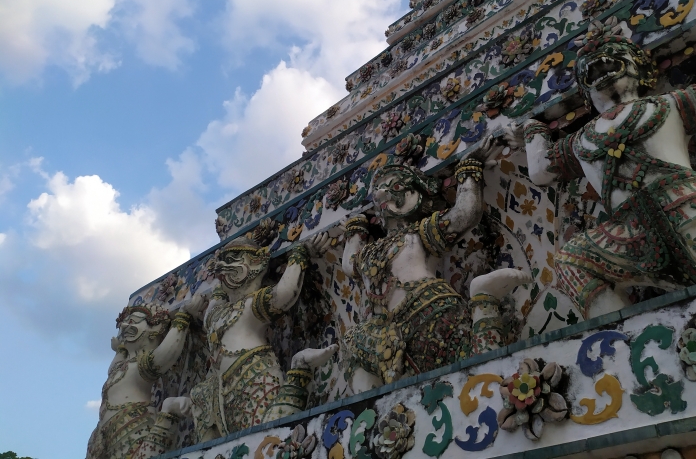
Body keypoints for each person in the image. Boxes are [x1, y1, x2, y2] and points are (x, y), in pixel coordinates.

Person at [506, 0, 696, 319]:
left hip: (695, 211)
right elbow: (541, 170)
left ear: (640, 71)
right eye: (591, 67)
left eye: (614, 58)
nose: (602, 64)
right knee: (572, 260)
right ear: (584, 92)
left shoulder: (667, 104)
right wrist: (532, 128)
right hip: (630, 232)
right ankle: (624, 337)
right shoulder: (581, 139)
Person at [340, 138, 530, 393]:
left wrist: (469, 168)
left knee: (481, 372)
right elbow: (348, 265)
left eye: (396, 186)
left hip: (429, 311)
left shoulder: (418, 232)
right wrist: (355, 228)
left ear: (419, 195)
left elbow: (465, 213)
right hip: (385, 332)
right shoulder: (368, 253)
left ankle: (483, 298)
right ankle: (373, 404)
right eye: (379, 190)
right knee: (352, 342)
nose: (382, 194)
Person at [177, 231, 337, 442]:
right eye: (221, 262)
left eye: (233, 260)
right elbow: (211, 306)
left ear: (257, 264)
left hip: (252, 374)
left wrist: (299, 254)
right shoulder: (216, 314)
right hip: (217, 388)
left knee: (268, 435)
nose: (222, 266)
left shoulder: (252, 304)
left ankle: (300, 369)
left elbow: (285, 292)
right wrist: (189, 310)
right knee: (222, 443)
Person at [86, 299, 202, 459]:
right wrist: (120, 349)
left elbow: (168, 352)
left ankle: (169, 411)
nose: (124, 326)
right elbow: (112, 369)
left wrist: (182, 317)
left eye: (133, 322)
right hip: (103, 433)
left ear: (155, 328)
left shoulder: (143, 364)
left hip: (132, 422)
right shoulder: (121, 367)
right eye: (124, 323)